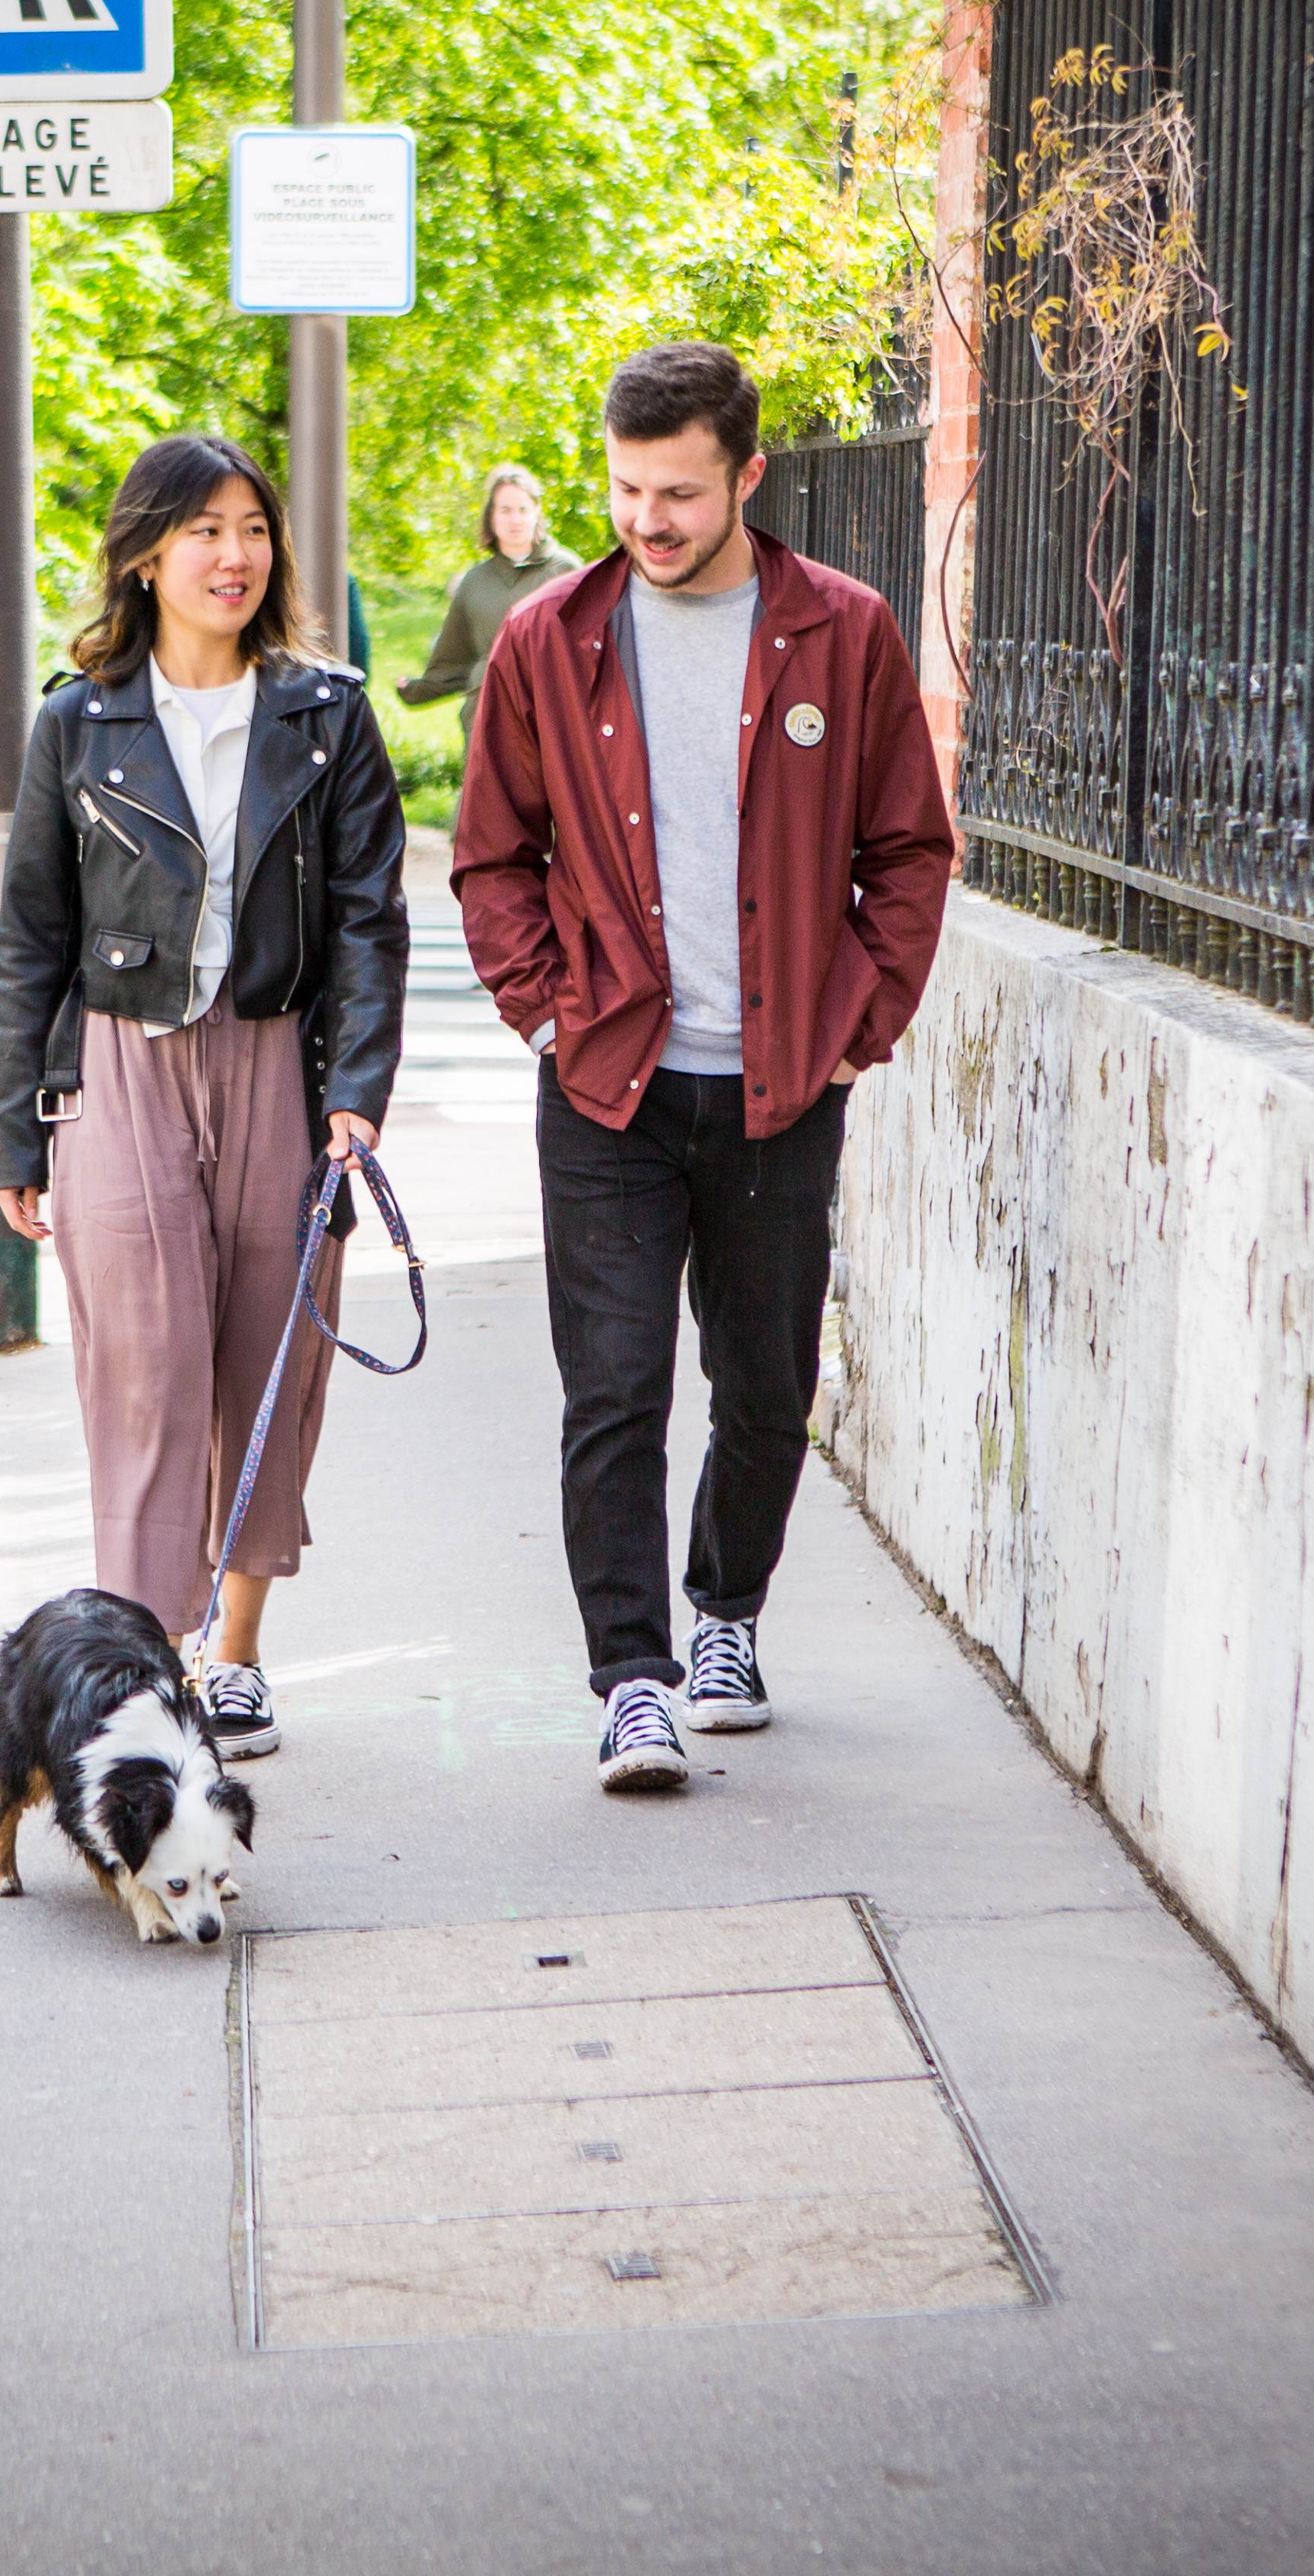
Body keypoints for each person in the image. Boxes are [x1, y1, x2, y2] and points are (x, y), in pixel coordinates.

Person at [449, 342, 956, 1794]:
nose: (646, 520)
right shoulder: (550, 640)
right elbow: (494, 858)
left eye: (676, 493)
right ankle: (632, 1679)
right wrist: (546, 1015)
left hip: (781, 1087)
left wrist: (861, 1022)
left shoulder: (844, 635)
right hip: (606, 1083)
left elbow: (909, 849)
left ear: (746, 477)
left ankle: (724, 1611)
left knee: (764, 1384)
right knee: (612, 1389)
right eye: (624, 489)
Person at [0, 435, 410, 1761]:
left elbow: (368, 919)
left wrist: (355, 1091)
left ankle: (233, 1655)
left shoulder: (324, 713)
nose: (234, 556)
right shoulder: (81, 719)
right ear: (146, 554)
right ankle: (143, 1653)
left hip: (280, 1064)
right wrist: (16, 1129)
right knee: (146, 1372)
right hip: (119, 1066)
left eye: (252, 529)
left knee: (263, 1359)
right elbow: (28, 940)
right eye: (204, 531)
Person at [394, 465, 580, 731]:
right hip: (487, 721)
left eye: (523, 510)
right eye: (505, 510)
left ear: (537, 513)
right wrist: (417, 689)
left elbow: (593, 651)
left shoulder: (567, 571)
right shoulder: (474, 582)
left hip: (553, 719)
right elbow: (454, 657)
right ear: (491, 517)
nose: (515, 520)